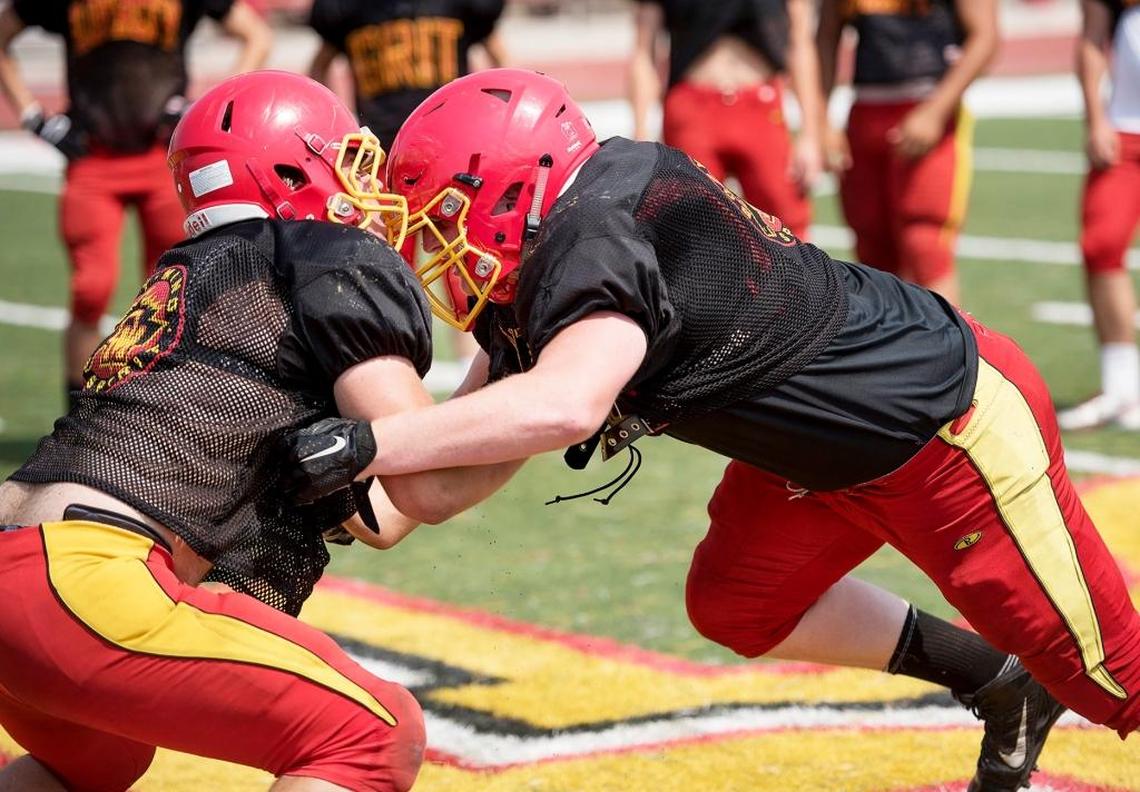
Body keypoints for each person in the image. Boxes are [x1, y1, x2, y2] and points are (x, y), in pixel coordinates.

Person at [286, 69, 1140, 791]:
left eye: (442, 213)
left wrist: (365, 445)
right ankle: (996, 679)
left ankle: (1045, 676)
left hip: (944, 431)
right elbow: (438, 484)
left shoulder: (599, 235)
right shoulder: (558, 244)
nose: (435, 245)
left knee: (1115, 677)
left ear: (514, 188)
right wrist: (310, 484)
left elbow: (567, 406)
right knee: (738, 601)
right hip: (816, 462)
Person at [0, 70, 521, 792]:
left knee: (93, 760)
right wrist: (531, 381)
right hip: (80, 581)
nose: (365, 190)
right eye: (347, 164)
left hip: (22, 561)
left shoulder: (200, 282)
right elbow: (425, 480)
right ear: (289, 170)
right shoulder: (318, 259)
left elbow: (384, 517)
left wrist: (499, 372)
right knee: (372, 737)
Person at [0, 0, 272, 409]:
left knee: (176, 291)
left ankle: (159, 409)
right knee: (91, 288)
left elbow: (256, 35)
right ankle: (82, 419)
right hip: (92, 155)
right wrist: (33, 116)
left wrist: (205, 106)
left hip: (162, 158)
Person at [307, 0, 507, 376]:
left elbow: (503, 64)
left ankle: (473, 354)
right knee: (385, 257)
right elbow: (320, 67)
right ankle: (393, 351)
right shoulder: (347, 10)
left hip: (451, 151)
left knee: (463, 249)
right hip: (383, 155)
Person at [816, 0, 999, 304]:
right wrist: (821, 120)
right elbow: (826, 35)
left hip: (929, 103)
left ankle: (948, 349)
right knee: (872, 248)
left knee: (925, 242)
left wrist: (936, 110)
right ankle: (888, 348)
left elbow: (985, 37)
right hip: (866, 111)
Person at [628, 0, 825, 239]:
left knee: (789, 229)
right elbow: (643, 52)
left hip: (759, 108)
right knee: (687, 230)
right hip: (692, 110)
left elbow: (801, 44)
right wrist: (640, 134)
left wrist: (810, 135)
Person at [1060, 0, 1140, 430]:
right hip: (1125, 129)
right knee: (1101, 243)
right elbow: (1092, 38)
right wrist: (1095, 118)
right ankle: (1122, 387)